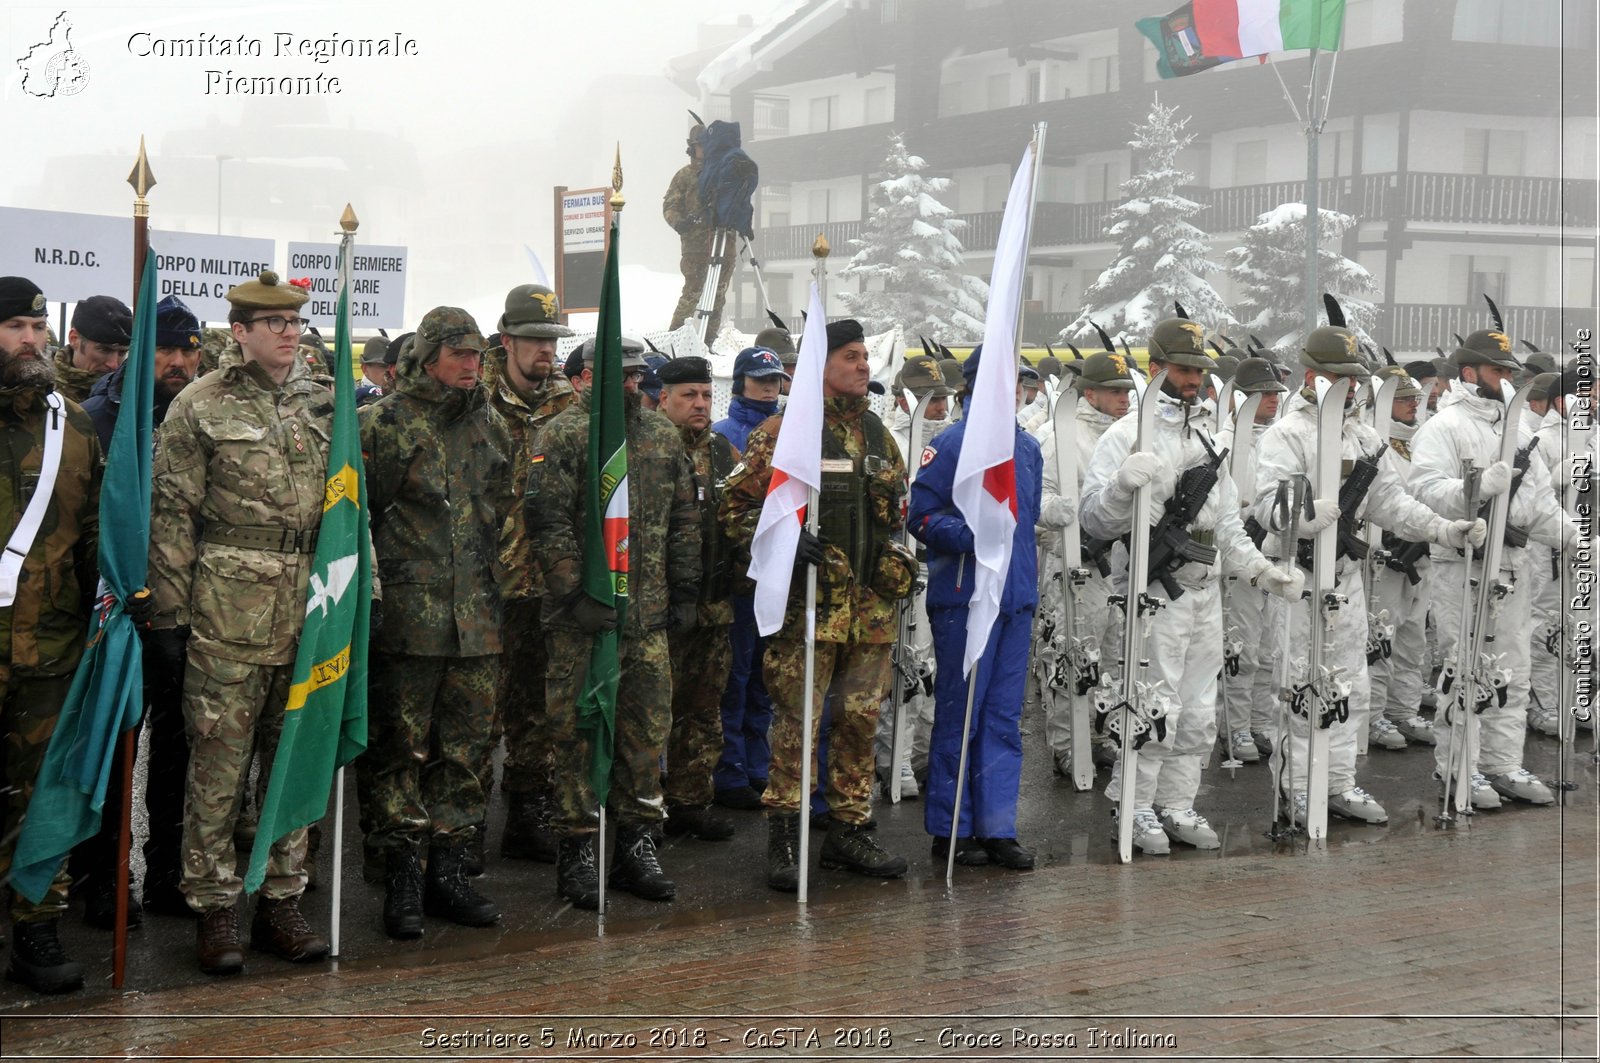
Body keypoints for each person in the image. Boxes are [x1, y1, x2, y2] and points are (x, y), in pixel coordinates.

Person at [147, 270, 333, 975]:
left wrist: (361, 597)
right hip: (228, 613)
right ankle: (215, 907)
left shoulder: (325, 402)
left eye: (294, 320)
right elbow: (173, 516)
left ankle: (281, 900)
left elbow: (351, 509)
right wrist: (168, 616)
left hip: (311, 610)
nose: (289, 330)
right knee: (219, 768)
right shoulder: (200, 405)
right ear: (244, 330)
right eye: (274, 321)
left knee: (292, 761)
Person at [1252, 323, 1484, 829]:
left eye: (1355, 379)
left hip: (1345, 575)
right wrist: (1300, 517)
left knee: (1349, 685)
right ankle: (1296, 790)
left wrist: (1445, 529)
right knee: (1298, 685)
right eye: (1340, 377)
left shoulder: (1362, 434)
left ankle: (1336, 783)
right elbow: (1266, 502)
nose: (1351, 387)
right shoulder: (1285, 434)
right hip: (1298, 573)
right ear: (1311, 375)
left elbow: (1392, 504)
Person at [1081, 319, 1300, 854]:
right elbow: (1093, 521)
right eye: (1183, 369)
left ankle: (1176, 803)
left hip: (1205, 590)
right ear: (1155, 369)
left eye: (1200, 370)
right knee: (1154, 706)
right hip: (1154, 591)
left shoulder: (1205, 436)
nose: (1194, 379)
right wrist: (1118, 487)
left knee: (1199, 712)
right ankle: (1133, 806)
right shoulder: (1125, 434)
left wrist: (1259, 571)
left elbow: (1226, 522)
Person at [721, 318, 918, 891]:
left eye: (864, 357)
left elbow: (895, 512)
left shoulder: (881, 436)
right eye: (851, 356)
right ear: (821, 366)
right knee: (797, 724)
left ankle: (849, 829)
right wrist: (781, 538)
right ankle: (786, 832)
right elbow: (734, 510)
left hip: (869, 611)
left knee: (859, 721)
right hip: (808, 609)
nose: (863, 366)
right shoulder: (786, 433)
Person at [527, 338, 700, 909]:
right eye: (617, 376)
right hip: (583, 622)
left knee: (646, 736)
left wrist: (686, 588)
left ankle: (635, 845)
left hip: (646, 619)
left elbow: (683, 517)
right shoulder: (564, 434)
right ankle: (578, 848)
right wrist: (573, 591)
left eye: (635, 376)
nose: (630, 386)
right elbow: (546, 520)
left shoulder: (660, 435)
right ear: (586, 379)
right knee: (578, 735)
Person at [360, 307, 514, 938]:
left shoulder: (492, 426)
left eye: (478, 356)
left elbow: (500, 507)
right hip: (406, 621)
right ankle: (401, 879)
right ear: (427, 358)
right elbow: (356, 516)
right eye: (459, 355)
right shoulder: (383, 424)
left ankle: (449, 873)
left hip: (476, 621)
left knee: (467, 753)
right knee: (399, 751)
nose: (472, 367)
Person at [1409, 331, 1581, 808]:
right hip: (1463, 563)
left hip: (1514, 564)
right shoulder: (1444, 426)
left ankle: (1502, 763)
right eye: (1497, 371)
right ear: (1469, 374)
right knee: (1463, 668)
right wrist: (1477, 488)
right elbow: (1422, 489)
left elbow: (1540, 505)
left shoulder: (1519, 433)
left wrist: (1575, 536)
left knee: (1513, 669)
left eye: (1509, 371)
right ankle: (1458, 766)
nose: (1506, 379)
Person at [75, 294, 204, 925]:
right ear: (142, 350)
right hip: (117, 617)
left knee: (177, 751)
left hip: (186, 615)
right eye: (166, 349)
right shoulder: (99, 419)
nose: (178, 362)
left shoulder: (204, 415)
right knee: (115, 749)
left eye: (188, 350)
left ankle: (168, 874)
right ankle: (105, 877)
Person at [0, 277, 103, 993]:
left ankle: (36, 926)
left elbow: (96, 528)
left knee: (41, 798)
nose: (30, 339)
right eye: (13, 326)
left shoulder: (76, 425)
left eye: (37, 325)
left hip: (50, 649)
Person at [908, 345, 1042, 869]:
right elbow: (920, 516)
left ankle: (996, 826)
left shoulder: (1027, 448)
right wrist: (970, 537)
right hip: (966, 598)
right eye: (1005, 381)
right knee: (960, 715)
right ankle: (951, 828)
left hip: (1015, 600)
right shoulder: (952, 443)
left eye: (1019, 383)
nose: (1015, 391)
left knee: (1004, 718)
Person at [482, 285, 577, 865]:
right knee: (479, 711)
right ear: (507, 339)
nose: (547, 352)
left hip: (548, 582)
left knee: (538, 707)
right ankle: (463, 827)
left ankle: (526, 811)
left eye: (552, 341)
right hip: (486, 582)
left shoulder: (569, 405)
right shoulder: (474, 398)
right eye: (537, 340)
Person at [1036, 350, 1136, 778]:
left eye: (1126, 391)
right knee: (1071, 656)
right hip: (1076, 565)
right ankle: (1066, 742)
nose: (1124, 399)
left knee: (1115, 659)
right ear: (1088, 391)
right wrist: (1055, 521)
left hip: (1123, 565)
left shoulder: (1131, 435)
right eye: (1114, 391)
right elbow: (1035, 500)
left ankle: (1101, 736)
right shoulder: (1059, 434)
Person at [655, 355, 740, 840]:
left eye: (706, 395)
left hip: (713, 605)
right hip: (659, 609)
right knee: (650, 713)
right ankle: (643, 807)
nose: (700, 404)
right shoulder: (650, 449)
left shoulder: (724, 453)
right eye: (689, 395)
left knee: (702, 710)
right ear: (663, 398)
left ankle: (690, 801)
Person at [709, 346, 789, 809]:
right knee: (734, 679)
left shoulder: (790, 433)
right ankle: (731, 771)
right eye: (760, 380)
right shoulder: (723, 436)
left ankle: (759, 767)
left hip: (775, 580)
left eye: (775, 380)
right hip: (737, 581)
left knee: (765, 679)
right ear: (739, 382)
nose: (768, 388)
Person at [876, 355, 955, 798]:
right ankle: (894, 758)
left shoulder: (954, 443)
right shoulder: (890, 440)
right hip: (903, 565)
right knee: (904, 665)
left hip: (944, 562)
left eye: (942, 398)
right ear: (903, 399)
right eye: (928, 399)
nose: (938, 408)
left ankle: (924, 755)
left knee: (936, 668)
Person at [1214, 355, 1289, 763]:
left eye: (1276, 393)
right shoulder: (1223, 442)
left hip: (1272, 552)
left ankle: (1261, 723)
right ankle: (1234, 727)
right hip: (1240, 559)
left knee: (1269, 650)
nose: (1273, 400)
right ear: (1241, 398)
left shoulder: (1277, 438)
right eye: (1264, 393)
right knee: (1240, 651)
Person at [1363, 366, 1437, 750]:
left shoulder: (1421, 442)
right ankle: (1373, 716)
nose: (1413, 405)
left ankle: (1403, 710)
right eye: (1404, 399)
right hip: (1386, 556)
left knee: (1413, 640)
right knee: (1381, 640)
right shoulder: (1373, 443)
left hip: (1420, 554)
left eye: (1414, 398)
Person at [665, 123, 733, 339]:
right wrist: (679, 222)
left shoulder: (724, 172)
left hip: (723, 243)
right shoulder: (684, 176)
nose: (704, 149)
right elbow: (670, 206)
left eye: (707, 145)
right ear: (692, 148)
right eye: (700, 145)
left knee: (718, 297)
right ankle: (673, 340)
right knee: (692, 294)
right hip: (695, 246)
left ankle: (708, 341)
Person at [53, 295, 132, 403]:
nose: (114, 364)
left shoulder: (132, 398)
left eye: (122, 352)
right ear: (74, 339)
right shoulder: (38, 391)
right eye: (104, 350)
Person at [356, 336, 389, 407]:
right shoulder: (349, 395)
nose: (389, 371)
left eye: (392, 366)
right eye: (383, 366)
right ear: (364, 369)